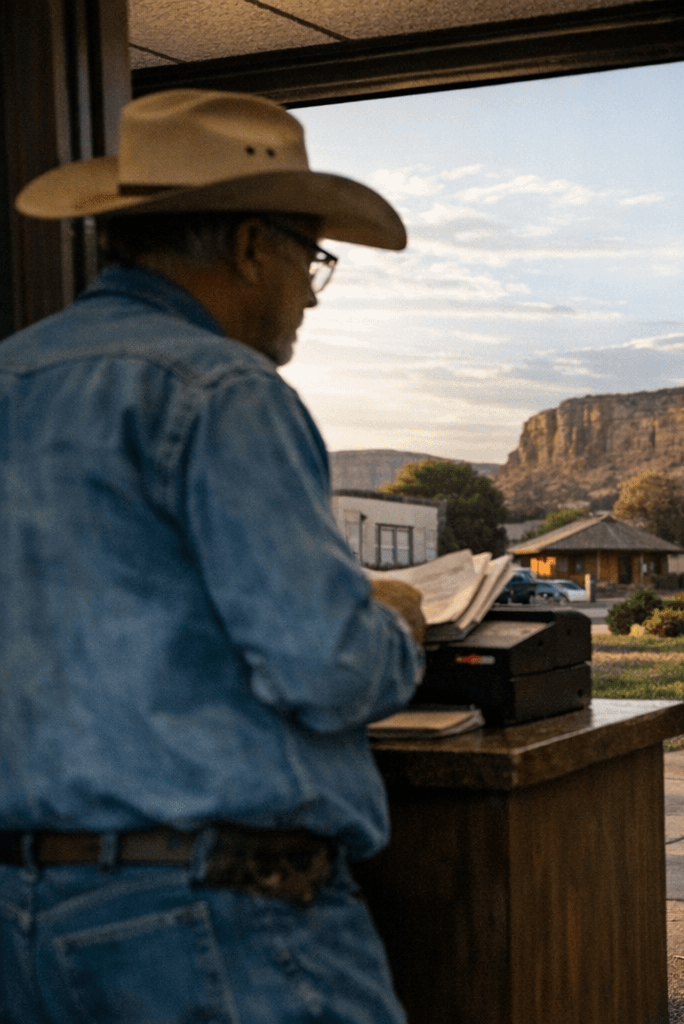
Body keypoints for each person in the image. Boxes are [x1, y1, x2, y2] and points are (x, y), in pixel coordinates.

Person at [1, 90, 427, 1023]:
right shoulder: (224, 391)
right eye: (311, 261)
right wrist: (393, 624)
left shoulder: (11, 378)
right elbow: (325, 666)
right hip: (216, 917)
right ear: (250, 245)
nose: (310, 295)